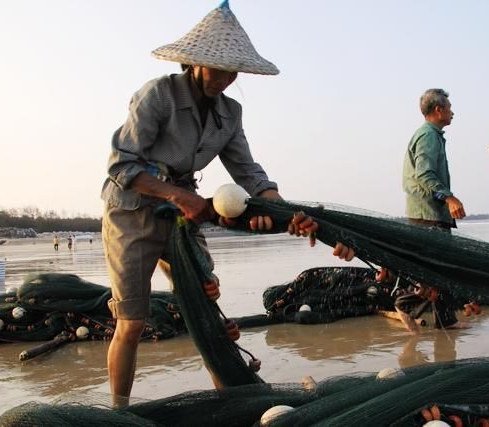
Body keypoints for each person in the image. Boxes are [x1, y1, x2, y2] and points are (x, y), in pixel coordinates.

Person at [101, 1, 352, 407]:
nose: (225, 79)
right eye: (218, 68)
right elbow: (120, 165)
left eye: (233, 71)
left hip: (183, 218)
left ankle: (232, 406)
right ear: (196, 63)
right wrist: (181, 195)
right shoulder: (157, 96)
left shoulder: (230, 113)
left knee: (206, 307)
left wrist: (284, 213)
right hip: (132, 212)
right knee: (131, 321)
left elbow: (249, 175)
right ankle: (118, 410)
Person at [396, 88, 467, 331]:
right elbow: (424, 173)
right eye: (449, 108)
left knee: (439, 267)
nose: (452, 112)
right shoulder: (427, 135)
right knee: (436, 267)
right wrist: (449, 198)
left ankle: (447, 320)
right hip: (428, 212)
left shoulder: (432, 135)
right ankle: (405, 304)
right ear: (438, 110)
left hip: (426, 211)